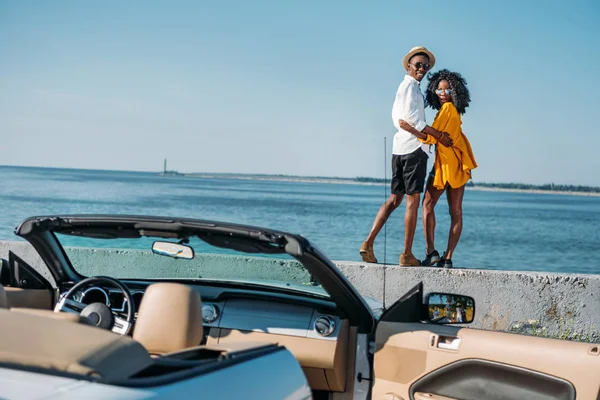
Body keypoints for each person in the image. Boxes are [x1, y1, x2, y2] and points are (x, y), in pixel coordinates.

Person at [359, 46, 453, 267]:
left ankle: (368, 243)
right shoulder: (410, 87)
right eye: (418, 64)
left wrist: (415, 130)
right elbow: (413, 121)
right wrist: (437, 135)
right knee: (412, 201)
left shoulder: (402, 88)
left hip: (398, 149)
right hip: (413, 151)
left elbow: (399, 122)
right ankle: (407, 254)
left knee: (394, 199)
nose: (422, 68)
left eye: (425, 66)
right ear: (409, 66)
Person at [398, 69, 477, 268]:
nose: (443, 94)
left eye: (447, 90)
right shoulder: (451, 111)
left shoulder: (448, 110)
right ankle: (448, 258)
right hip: (458, 165)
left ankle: (431, 251)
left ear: (455, 92)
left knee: (427, 205)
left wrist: (411, 129)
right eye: (439, 91)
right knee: (456, 212)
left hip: (445, 167)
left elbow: (433, 137)